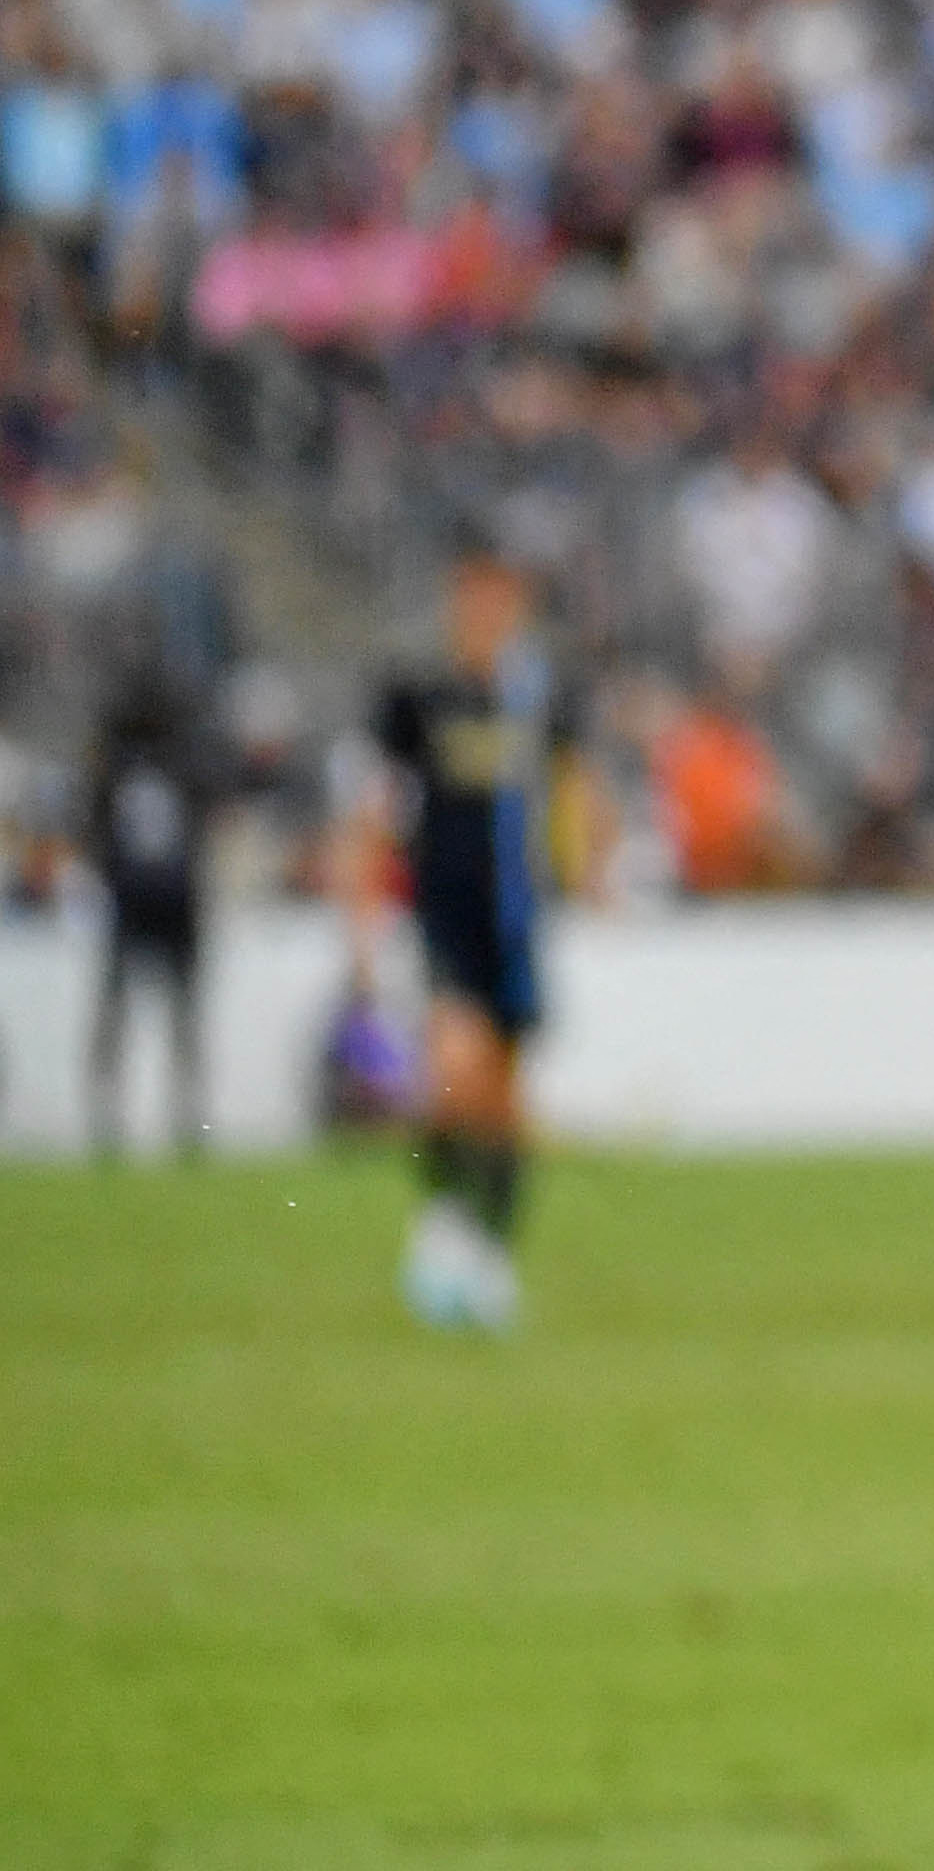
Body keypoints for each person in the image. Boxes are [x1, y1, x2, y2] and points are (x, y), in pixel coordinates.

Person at [373, 549, 559, 1332]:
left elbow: (572, 788)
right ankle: (442, 1225)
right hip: (444, 916)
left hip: (514, 924)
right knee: (453, 1069)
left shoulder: (535, 698)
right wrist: (361, 908)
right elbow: (377, 806)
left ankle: (489, 1255)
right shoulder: (419, 697)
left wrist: (594, 866)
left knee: (505, 1100)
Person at [81, 676, 217, 1158]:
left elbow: (96, 830)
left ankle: (181, 1117)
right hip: (151, 900)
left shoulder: (127, 765)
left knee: (175, 1016)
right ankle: (115, 1117)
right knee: (135, 1014)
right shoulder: (165, 763)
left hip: (155, 901)